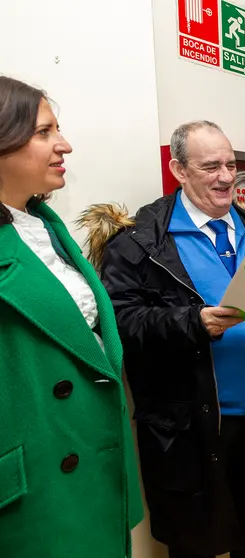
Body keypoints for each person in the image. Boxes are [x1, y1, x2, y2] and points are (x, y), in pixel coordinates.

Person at [98, 121, 245, 558]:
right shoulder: (140, 241)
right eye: (210, 166)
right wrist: (193, 322)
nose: (226, 176)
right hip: (191, 425)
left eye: (230, 163)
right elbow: (121, 320)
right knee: (194, 538)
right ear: (179, 170)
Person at [0, 76, 143, 556]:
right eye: (44, 132)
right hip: (37, 468)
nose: (65, 145)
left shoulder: (45, 225)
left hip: (87, 444)